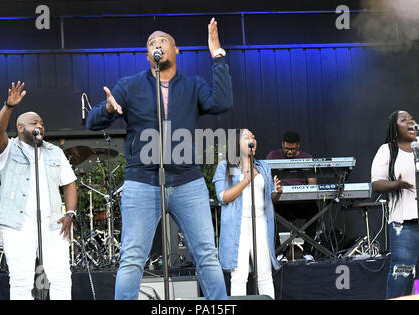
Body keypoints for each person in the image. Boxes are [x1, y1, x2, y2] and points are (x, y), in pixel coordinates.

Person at [86, 18, 232, 300]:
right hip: (142, 182)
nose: (157, 44)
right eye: (151, 43)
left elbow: (223, 103)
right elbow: (93, 121)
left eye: (162, 41)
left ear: (176, 50)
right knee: (132, 258)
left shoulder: (193, 85)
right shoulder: (129, 86)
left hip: (188, 181)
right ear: (147, 55)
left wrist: (218, 56)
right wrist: (108, 108)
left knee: (206, 255)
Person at [0, 81, 77, 300]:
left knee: (61, 278)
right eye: (33, 122)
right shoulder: (8, 149)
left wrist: (70, 213)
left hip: (53, 225)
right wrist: (9, 107)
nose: (40, 125)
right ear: (20, 128)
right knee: (21, 281)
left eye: (41, 122)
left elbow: (69, 183)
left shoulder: (55, 152)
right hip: (17, 226)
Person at [213, 129, 282, 298]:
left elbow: (269, 198)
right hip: (238, 225)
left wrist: (277, 193)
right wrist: (246, 180)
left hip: (261, 222)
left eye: (253, 137)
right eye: (247, 137)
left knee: (265, 275)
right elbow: (223, 197)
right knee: (239, 276)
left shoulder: (263, 167)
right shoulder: (225, 167)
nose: (252, 139)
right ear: (236, 144)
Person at [371, 110, 418, 299]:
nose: (410, 121)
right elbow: (376, 183)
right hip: (405, 222)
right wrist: (397, 184)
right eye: (403, 120)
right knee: (403, 272)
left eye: (412, 119)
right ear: (394, 128)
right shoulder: (388, 150)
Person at [266, 130, 318, 258]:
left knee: (314, 210)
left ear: (298, 146)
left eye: (293, 149)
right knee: (268, 211)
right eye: (286, 148)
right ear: (282, 144)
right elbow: (266, 179)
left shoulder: (307, 158)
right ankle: (278, 252)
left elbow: (312, 185)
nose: (289, 152)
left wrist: (305, 191)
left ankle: (307, 251)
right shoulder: (273, 156)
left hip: (300, 203)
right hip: (280, 201)